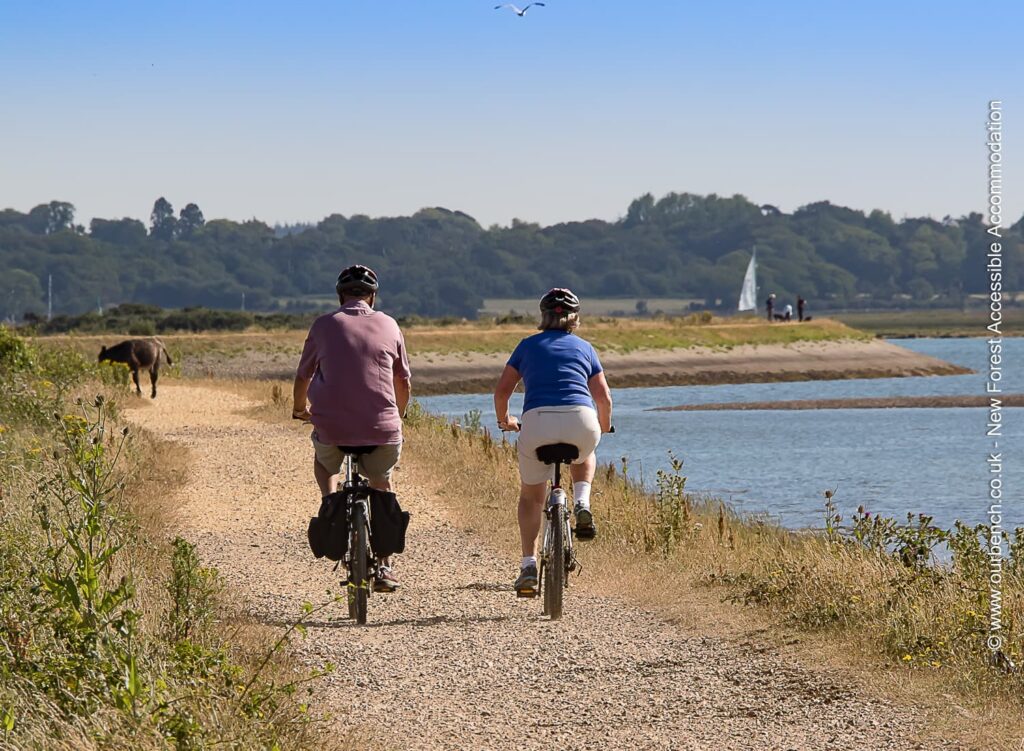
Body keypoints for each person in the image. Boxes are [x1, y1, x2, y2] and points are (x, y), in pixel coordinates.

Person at [292, 264, 412, 592]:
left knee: (323, 459)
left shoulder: (323, 325)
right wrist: (397, 416)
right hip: (383, 428)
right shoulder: (389, 324)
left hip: (332, 426)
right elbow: (403, 381)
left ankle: (328, 501)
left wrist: (300, 410)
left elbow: (303, 375)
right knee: (381, 483)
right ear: (372, 296)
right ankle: (385, 566)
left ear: (339, 295)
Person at [493, 288, 613, 596]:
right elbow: (603, 397)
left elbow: (502, 392)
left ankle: (528, 565)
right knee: (586, 451)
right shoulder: (585, 348)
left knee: (532, 497)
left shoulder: (527, 346)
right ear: (575, 319)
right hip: (580, 419)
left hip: (537, 421)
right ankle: (582, 501)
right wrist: (604, 427)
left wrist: (505, 421)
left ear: (543, 317)